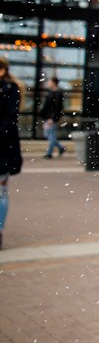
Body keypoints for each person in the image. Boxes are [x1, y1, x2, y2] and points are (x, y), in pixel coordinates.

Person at [0, 57, 24, 250]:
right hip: (4, 145)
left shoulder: (10, 89)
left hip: (3, 147)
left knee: (1, 191)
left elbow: (10, 119)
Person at [40, 76, 66, 158]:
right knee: (48, 134)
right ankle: (61, 148)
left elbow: (57, 107)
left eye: (50, 81)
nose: (48, 83)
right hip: (48, 117)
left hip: (52, 118)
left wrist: (52, 117)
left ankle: (49, 153)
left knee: (51, 135)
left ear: (54, 83)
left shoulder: (58, 93)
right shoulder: (50, 92)